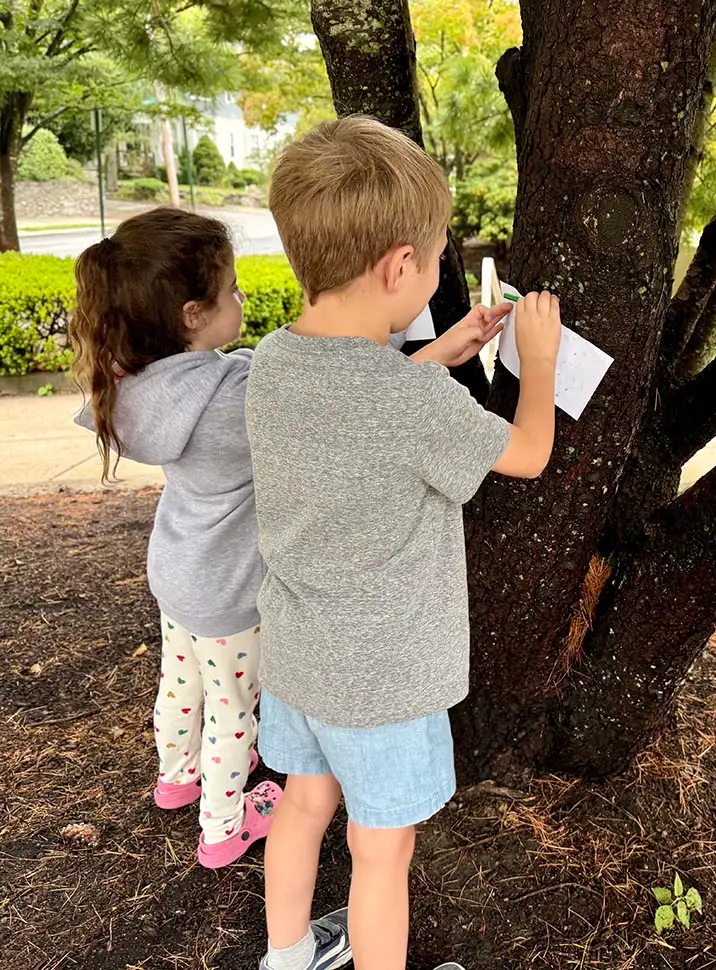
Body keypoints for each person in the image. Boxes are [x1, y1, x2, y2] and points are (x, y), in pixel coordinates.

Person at [246, 117, 562, 970]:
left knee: (301, 807)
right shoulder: (409, 403)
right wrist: (538, 362)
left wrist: (441, 354)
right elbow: (527, 453)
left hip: (301, 655)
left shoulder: (270, 362)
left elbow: (354, 414)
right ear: (398, 268)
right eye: (431, 258)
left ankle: (286, 956)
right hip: (384, 675)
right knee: (382, 849)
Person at [70, 207, 281, 868]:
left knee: (181, 682)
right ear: (193, 313)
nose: (242, 298)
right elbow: (314, 396)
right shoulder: (227, 399)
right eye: (232, 290)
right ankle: (225, 825)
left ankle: (177, 775)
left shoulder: (136, 380)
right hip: (227, 590)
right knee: (234, 710)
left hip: (179, 569)